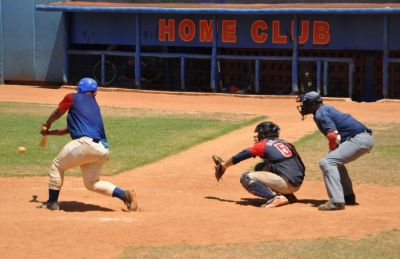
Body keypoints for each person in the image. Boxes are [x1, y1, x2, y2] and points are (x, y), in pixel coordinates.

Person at [38, 77, 138, 211]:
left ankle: (52, 202)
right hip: (101, 149)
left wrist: (47, 123)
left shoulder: (72, 97)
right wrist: (49, 133)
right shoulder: (93, 106)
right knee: (92, 183)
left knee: (57, 165)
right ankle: (124, 195)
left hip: (84, 144)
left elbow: (58, 112)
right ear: (94, 92)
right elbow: (67, 130)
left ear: (79, 89)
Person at [297, 91, 374, 211]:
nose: (303, 106)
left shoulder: (320, 112)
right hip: (363, 138)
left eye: (305, 103)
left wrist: (332, 148)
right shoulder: (325, 109)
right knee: (334, 161)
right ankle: (348, 196)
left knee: (327, 162)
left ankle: (336, 201)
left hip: (358, 139)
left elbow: (332, 135)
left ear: (313, 104)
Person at [216, 121, 305, 208]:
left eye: (258, 133)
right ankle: (289, 196)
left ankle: (275, 198)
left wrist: (224, 165)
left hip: (287, 183)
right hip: (297, 181)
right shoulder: (286, 143)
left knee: (246, 177)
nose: (255, 136)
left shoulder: (262, 144)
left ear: (264, 134)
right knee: (260, 167)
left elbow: (240, 156)